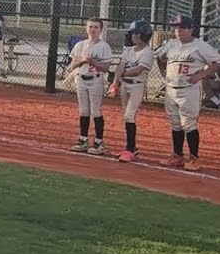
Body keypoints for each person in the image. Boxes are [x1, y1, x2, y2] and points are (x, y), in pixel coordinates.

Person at [154, 15, 220, 171]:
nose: (178, 31)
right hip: (171, 88)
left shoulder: (200, 46)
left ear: (191, 29)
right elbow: (159, 57)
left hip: (189, 90)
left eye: (182, 28)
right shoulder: (171, 44)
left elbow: (219, 62)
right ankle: (177, 156)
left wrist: (201, 75)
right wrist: (163, 71)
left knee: (188, 124)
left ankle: (194, 158)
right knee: (175, 123)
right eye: (176, 28)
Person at [107, 20, 154, 162]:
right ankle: (130, 147)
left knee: (129, 115)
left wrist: (122, 74)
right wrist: (115, 83)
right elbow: (121, 66)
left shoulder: (147, 52)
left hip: (137, 86)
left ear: (140, 35)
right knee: (127, 117)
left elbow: (137, 70)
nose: (131, 36)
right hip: (125, 86)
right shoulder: (128, 50)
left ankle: (130, 149)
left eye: (134, 33)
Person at [65, 18, 113, 155]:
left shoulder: (104, 46)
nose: (93, 30)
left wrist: (92, 61)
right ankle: (83, 139)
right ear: (86, 28)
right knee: (84, 111)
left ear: (101, 30)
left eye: (96, 27)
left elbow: (105, 68)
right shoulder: (80, 45)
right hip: (81, 78)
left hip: (95, 80)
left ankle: (98, 142)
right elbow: (72, 66)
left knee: (96, 111)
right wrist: (82, 61)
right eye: (90, 27)